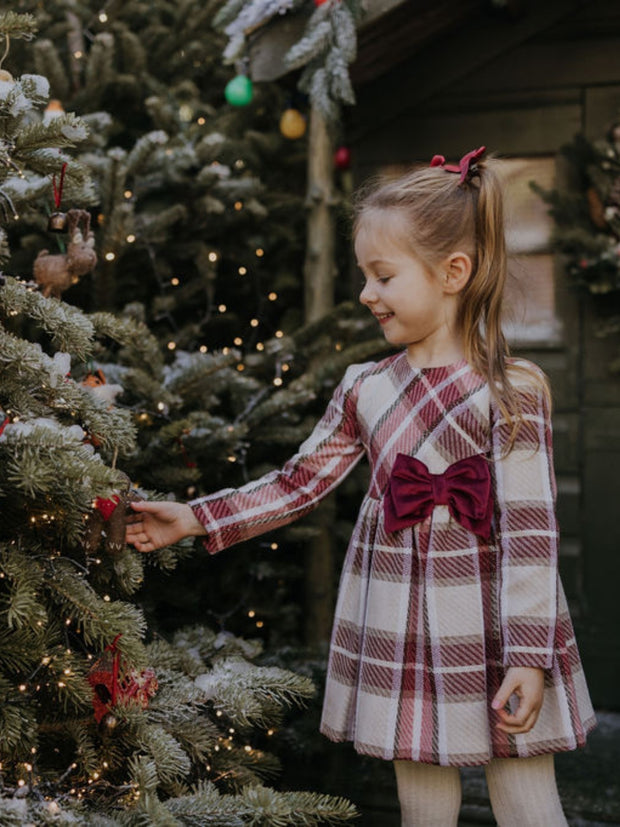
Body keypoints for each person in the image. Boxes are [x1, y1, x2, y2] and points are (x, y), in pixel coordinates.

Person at [126, 147, 596, 826]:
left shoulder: (511, 390)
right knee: (422, 806)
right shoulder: (365, 388)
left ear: (452, 273)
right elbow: (299, 483)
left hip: (499, 626)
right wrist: (197, 517)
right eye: (364, 277)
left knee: (527, 802)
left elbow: (531, 531)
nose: (367, 294)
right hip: (401, 624)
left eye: (383, 276)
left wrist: (528, 655)